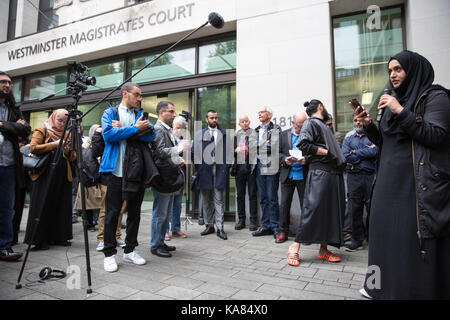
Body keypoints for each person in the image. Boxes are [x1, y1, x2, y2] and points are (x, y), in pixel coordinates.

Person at [355, 50, 450, 299]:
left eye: (398, 69)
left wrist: (400, 111)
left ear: (414, 69)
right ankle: (381, 286)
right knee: (384, 232)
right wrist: (369, 126)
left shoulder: (435, 97)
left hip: (416, 181)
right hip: (387, 178)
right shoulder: (393, 99)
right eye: (390, 71)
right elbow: (387, 141)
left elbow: (436, 135)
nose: (393, 75)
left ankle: (411, 290)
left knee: (409, 235)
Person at [99, 82, 155, 272]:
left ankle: (130, 251)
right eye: (137, 95)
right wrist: (135, 129)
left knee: (135, 213)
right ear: (125, 93)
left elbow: (151, 135)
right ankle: (109, 254)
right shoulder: (110, 113)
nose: (140, 98)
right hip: (115, 171)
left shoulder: (141, 114)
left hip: (135, 172)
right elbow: (108, 136)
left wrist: (125, 129)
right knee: (113, 214)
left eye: (141, 95)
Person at [286, 99, 346, 266]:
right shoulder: (311, 122)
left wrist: (313, 156)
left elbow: (311, 150)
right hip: (321, 174)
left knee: (328, 212)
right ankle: (294, 247)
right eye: (324, 107)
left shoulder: (322, 125)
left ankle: (323, 249)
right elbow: (303, 143)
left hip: (331, 173)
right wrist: (326, 152)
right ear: (320, 107)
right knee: (312, 210)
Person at [24, 109, 76, 250]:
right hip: (44, 174)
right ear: (53, 118)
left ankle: (59, 237)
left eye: (66, 122)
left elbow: (73, 156)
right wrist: (54, 144)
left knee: (61, 205)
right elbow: (33, 148)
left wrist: (67, 151)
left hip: (63, 174)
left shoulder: (68, 134)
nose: (62, 124)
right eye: (60, 120)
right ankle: (39, 239)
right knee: (42, 205)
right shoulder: (42, 130)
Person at [150, 101, 189, 257]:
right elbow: (159, 152)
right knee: (160, 214)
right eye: (171, 112)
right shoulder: (159, 129)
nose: (174, 115)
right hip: (163, 178)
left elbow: (166, 154)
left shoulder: (166, 129)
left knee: (165, 214)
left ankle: (160, 242)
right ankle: (155, 245)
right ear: (161, 112)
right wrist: (179, 148)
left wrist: (177, 159)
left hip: (169, 176)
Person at [0, 71, 31, 260]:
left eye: (9, 82)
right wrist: (14, 126)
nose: (6, 85)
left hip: (10, 166)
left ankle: (5, 246)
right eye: (2, 82)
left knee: (7, 208)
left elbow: (25, 130)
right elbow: (18, 128)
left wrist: (3, 125)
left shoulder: (14, 109)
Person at [342, 115, 377, 251]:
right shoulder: (349, 138)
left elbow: (376, 151)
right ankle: (357, 239)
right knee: (354, 209)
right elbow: (346, 155)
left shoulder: (373, 137)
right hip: (353, 177)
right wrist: (366, 154)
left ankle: (372, 237)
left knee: (372, 209)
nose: (358, 122)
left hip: (370, 176)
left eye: (359, 120)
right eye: (355, 120)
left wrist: (355, 152)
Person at [194, 109, 230, 240]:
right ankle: (209, 225)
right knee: (206, 199)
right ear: (206, 119)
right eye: (211, 118)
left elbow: (229, 152)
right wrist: (199, 168)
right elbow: (195, 153)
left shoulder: (224, 134)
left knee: (218, 199)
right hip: (204, 170)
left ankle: (220, 228)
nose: (214, 120)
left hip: (220, 169)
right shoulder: (199, 134)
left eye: (216, 118)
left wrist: (226, 166)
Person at [91, 125, 126, 251]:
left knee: (120, 209)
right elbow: (95, 152)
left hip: (123, 174)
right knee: (106, 209)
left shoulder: (123, 130)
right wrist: (97, 134)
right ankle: (102, 238)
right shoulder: (102, 131)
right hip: (107, 174)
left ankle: (116, 236)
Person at [277, 112, 308, 243]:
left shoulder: (308, 135)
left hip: (303, 175)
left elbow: (313, 152)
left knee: (305, 205)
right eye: (300, 125)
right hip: (288, 175)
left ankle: (306, 233)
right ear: (293, 123)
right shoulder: (283, 135)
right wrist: (284, 159)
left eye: (304, 124)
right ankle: (283, 232)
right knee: (284, 205)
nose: (303, 127)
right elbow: (276, 153)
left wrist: (306, 159)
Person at [252, 106, 282, 237]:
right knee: (263, 198)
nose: (259, 113)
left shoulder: (276, 129)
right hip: (259, 165)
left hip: (271, 165)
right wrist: (265, 143)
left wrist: (261, 145)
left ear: (269, 115)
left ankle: (275, 226)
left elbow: (274, 146)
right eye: (258, 112)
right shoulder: (256, 130)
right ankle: (265, 225)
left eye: (262, 112)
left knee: (272, 197)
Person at [232, 115, 258, 231]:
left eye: (246, 121)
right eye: (242, 122)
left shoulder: (254, 133)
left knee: (252, 194)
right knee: (240, 195)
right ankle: (241, 220)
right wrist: (235, 150)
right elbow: (230, 151)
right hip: (239, 168)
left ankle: (253, 221)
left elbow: (258, 148)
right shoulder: (236, 135)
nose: (245, 123)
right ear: (239, 124)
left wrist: (248, 149)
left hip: (251, 167)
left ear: (249, 122)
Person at [165, 115, 189, 240]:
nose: (179, 130)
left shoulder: (184, 140)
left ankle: (176, 229)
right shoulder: (167, 138)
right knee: (167, 205)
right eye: (177, 127)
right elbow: (165, 154)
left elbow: (189, 158)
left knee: (177, 205)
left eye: (181, 128)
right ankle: (165, 231)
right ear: (172, 127)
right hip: (169, 176)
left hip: (180, 176)